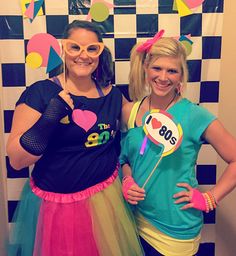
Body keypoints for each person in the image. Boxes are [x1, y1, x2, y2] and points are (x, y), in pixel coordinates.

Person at [6, 20, 143, 256]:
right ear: (63, 48)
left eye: (92, 49)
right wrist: (50, 117)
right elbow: (17, 161)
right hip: (55, 210)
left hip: (105, 203)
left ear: (100, 52)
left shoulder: (112, 95)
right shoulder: (40, 92)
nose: (83, 55)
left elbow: (142, 125)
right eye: (75, 47)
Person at [120, 30, 236, 256]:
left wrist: (210, 198)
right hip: (133, 219)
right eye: (157, 68)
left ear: (181, 76)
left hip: (175, 228)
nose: (163, 77)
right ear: (146, 69)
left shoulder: (195, 115)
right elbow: (126, 158)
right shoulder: (129, 111)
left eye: (172, 71)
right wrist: (127, 178)